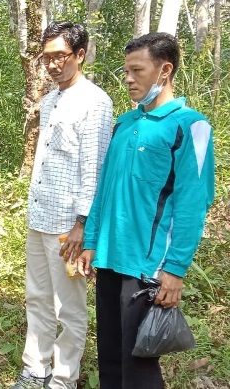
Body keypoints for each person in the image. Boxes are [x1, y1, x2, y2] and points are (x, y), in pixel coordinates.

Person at [76, 32, 215, 388]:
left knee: (138, 363)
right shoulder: (124, 124)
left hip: (147, 267)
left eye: (137, 70)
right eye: (126, 70)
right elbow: (104, 190)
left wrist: (175, 269)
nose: (128, 78)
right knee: (109, 356)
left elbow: (192, 203)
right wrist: (91, 241)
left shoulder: (191, 126)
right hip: (109, 258)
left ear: (164, 70)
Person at [11, 22, 113, 389]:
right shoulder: (50, 99)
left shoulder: (96, 102)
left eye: (60, 56)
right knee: (37, 297)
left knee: (68, 307)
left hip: (69, 227)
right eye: (47, 57)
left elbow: (95, 168)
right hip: (40, 216)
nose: (52, 64)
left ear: (80, 54)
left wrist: (83, 226)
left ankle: (64, 378)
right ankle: (35, 368)